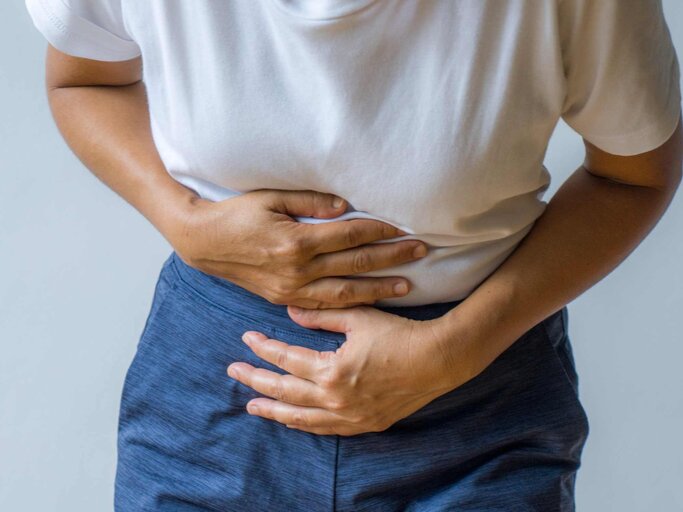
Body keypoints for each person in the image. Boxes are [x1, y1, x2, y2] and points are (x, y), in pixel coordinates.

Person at [25, 0, 682, 510]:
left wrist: (459, 346)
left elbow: (632, 174)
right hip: (212, 395)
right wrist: (183, 220)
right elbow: (85, 80)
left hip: (477, 411)